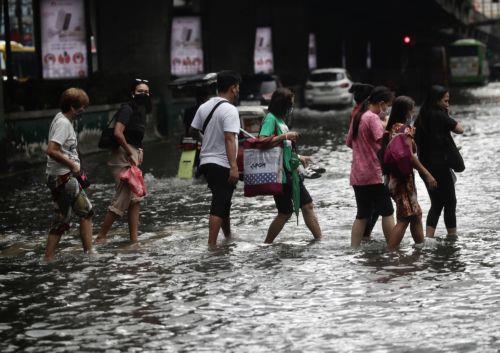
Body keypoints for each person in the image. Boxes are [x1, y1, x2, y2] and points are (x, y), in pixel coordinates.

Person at [259, 88, 322, 243]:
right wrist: (285, 135)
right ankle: (267, 243)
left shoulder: (281, 121)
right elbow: (262, 141)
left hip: (290, 172)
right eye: (290, 105)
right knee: (286, 212)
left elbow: (284, 149)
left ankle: (319, 239)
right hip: (281, 173)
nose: (291, 108)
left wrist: (299, 157)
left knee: (306, 206)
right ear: (282, 105)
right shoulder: (271, 119)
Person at [95, 79, 151, 244]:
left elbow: (136, 136)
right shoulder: (127, 109)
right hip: (122, 155)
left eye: (146, 92)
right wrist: (129, 152)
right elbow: (118, 133)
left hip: (131, 153)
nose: (144, 94)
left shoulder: (140, 110)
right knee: (124, 195)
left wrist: (139, 150)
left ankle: (134, 240)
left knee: (135, 199)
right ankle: (101, 236)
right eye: (140, 91)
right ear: (133, 93)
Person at [190, 71, 241, 246]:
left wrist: (206, 142)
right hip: (222, 164)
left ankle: (227, 237)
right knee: (219, 203)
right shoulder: (230, 110)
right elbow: (229, 139)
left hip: (206, 163)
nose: (238, 91)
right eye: (237, 87)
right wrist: (234, 167)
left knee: (224, 201)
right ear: (233, 88)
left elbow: (193, 130)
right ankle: (211, 245)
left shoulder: (204, 107)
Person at [380, 96, 437, 250]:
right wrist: (427, 173)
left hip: (394, 179)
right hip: (403, 180)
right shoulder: (405, 130)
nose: (412, 113)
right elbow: (410, 157)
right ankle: (390, 253)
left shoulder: (391, 129)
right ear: (405, 112)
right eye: (411, 110)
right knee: (404, 218)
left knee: (415, 215)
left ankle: (421, 248)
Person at [45, 88, 93, 261]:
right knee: (85, 213)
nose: (83, 110)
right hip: (63, 178)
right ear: (73, 107)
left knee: (63, 219)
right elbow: (51, 150)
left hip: (61, 177)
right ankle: (89, 253)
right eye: (82, 107)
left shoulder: (62, 119)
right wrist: (72, 164)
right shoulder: (63, 124)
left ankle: (49, 257)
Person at [346, 86, 395, 247]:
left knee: (362, 214)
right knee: (388, 211)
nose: (387, 109)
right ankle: (393, 247)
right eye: (387, 105)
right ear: (381, 103)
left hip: (357, 174)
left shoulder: (358, 116)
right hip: (373, 172)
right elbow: (383, 142)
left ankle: (353, 248)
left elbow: (349, 143)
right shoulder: (372, 118)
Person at [415, 85, 464, 237]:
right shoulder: (439, 115)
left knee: (436, 203)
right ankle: (452, 237)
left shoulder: (421, 116)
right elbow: (459, 129)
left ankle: (428, 238)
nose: (448, 102)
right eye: (445, 100)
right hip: (441, 167)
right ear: (436, 100)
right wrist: (447, 115)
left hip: (425, 167)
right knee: (450, 202)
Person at [348, 82, 376, 239]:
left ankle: (364, 236)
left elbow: (350, 142)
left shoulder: (356, 113)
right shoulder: (366, 115)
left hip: (359, 166)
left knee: (367, 208)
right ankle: (366, 235)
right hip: (370, 166)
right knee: (380, 207)